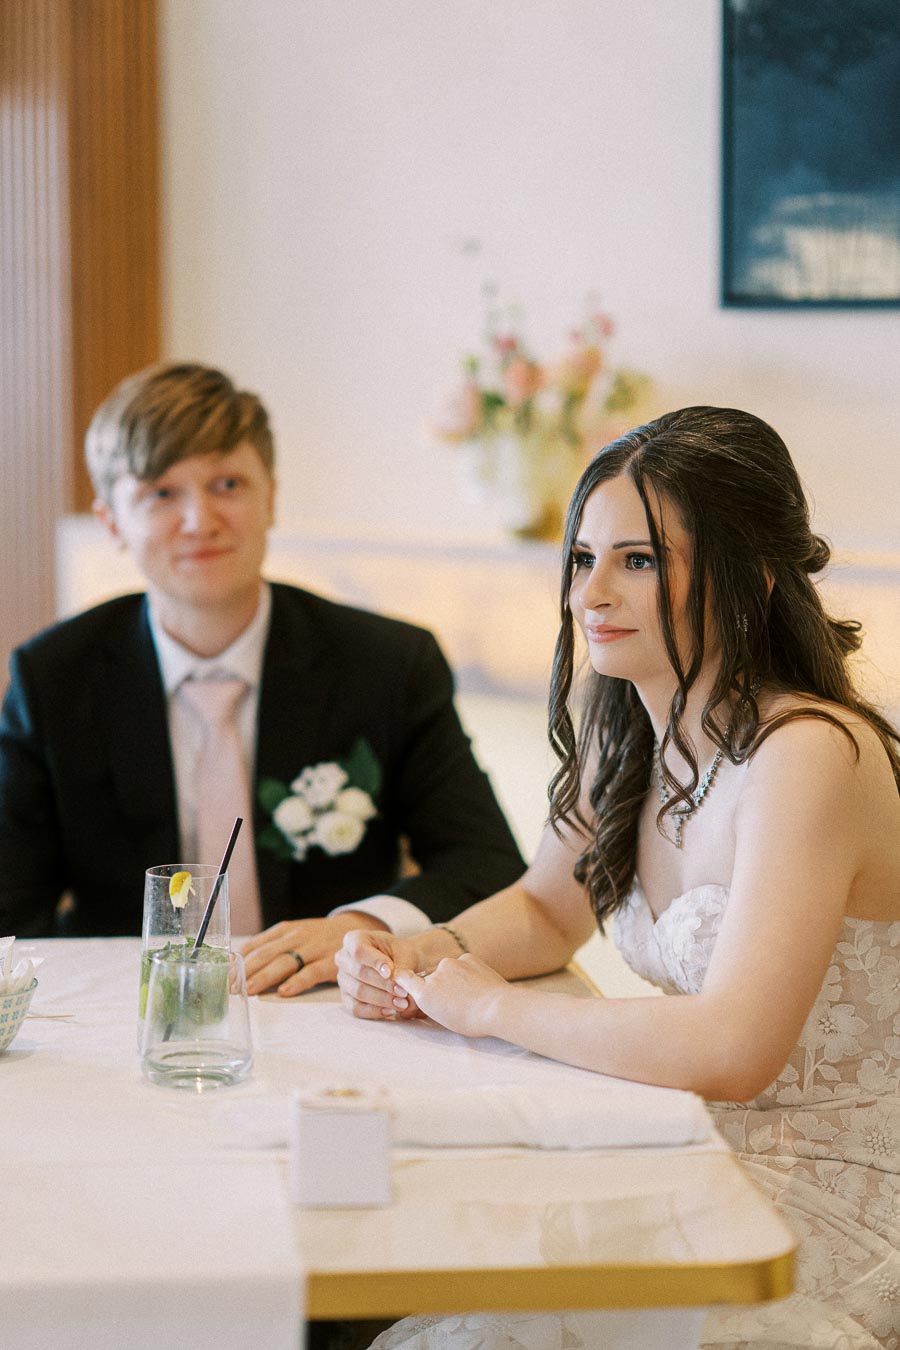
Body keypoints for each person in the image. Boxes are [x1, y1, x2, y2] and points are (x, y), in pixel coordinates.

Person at [337, 406, 900, 1350]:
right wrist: (421, 955)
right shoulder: (631, 732)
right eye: (582, 558)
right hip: (691, 1151)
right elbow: (542, 909)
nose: (591, 593)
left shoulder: (810, 754)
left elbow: (733, 1048)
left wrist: (492, 1011)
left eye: (639, 561)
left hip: (834, 1188)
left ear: (753, 577)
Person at [0, 362, 525, 995]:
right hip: (131, 1011)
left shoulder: (386, 663)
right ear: (111, 518)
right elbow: (12, 906)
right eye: (161, 493)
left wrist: (362, 925)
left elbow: (487, 864)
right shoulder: (53, 677)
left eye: (227, 483)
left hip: (337, 1003)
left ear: (270, 495)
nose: (200, 520)